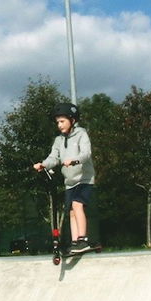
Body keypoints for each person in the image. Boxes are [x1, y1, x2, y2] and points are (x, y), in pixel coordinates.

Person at [33, 101, 95, 255]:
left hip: (84, 179)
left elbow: (87, 153)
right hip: (70, 182)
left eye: (62, 121)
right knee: (71, 212)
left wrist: (74, 161)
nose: (59, 125)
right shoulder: (59, 140)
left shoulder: (81, 134)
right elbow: (54, 157)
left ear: (72, 120)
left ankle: (83, 240)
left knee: (77, 205)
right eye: (57, 122)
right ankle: (75, 243)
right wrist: (44, 164)